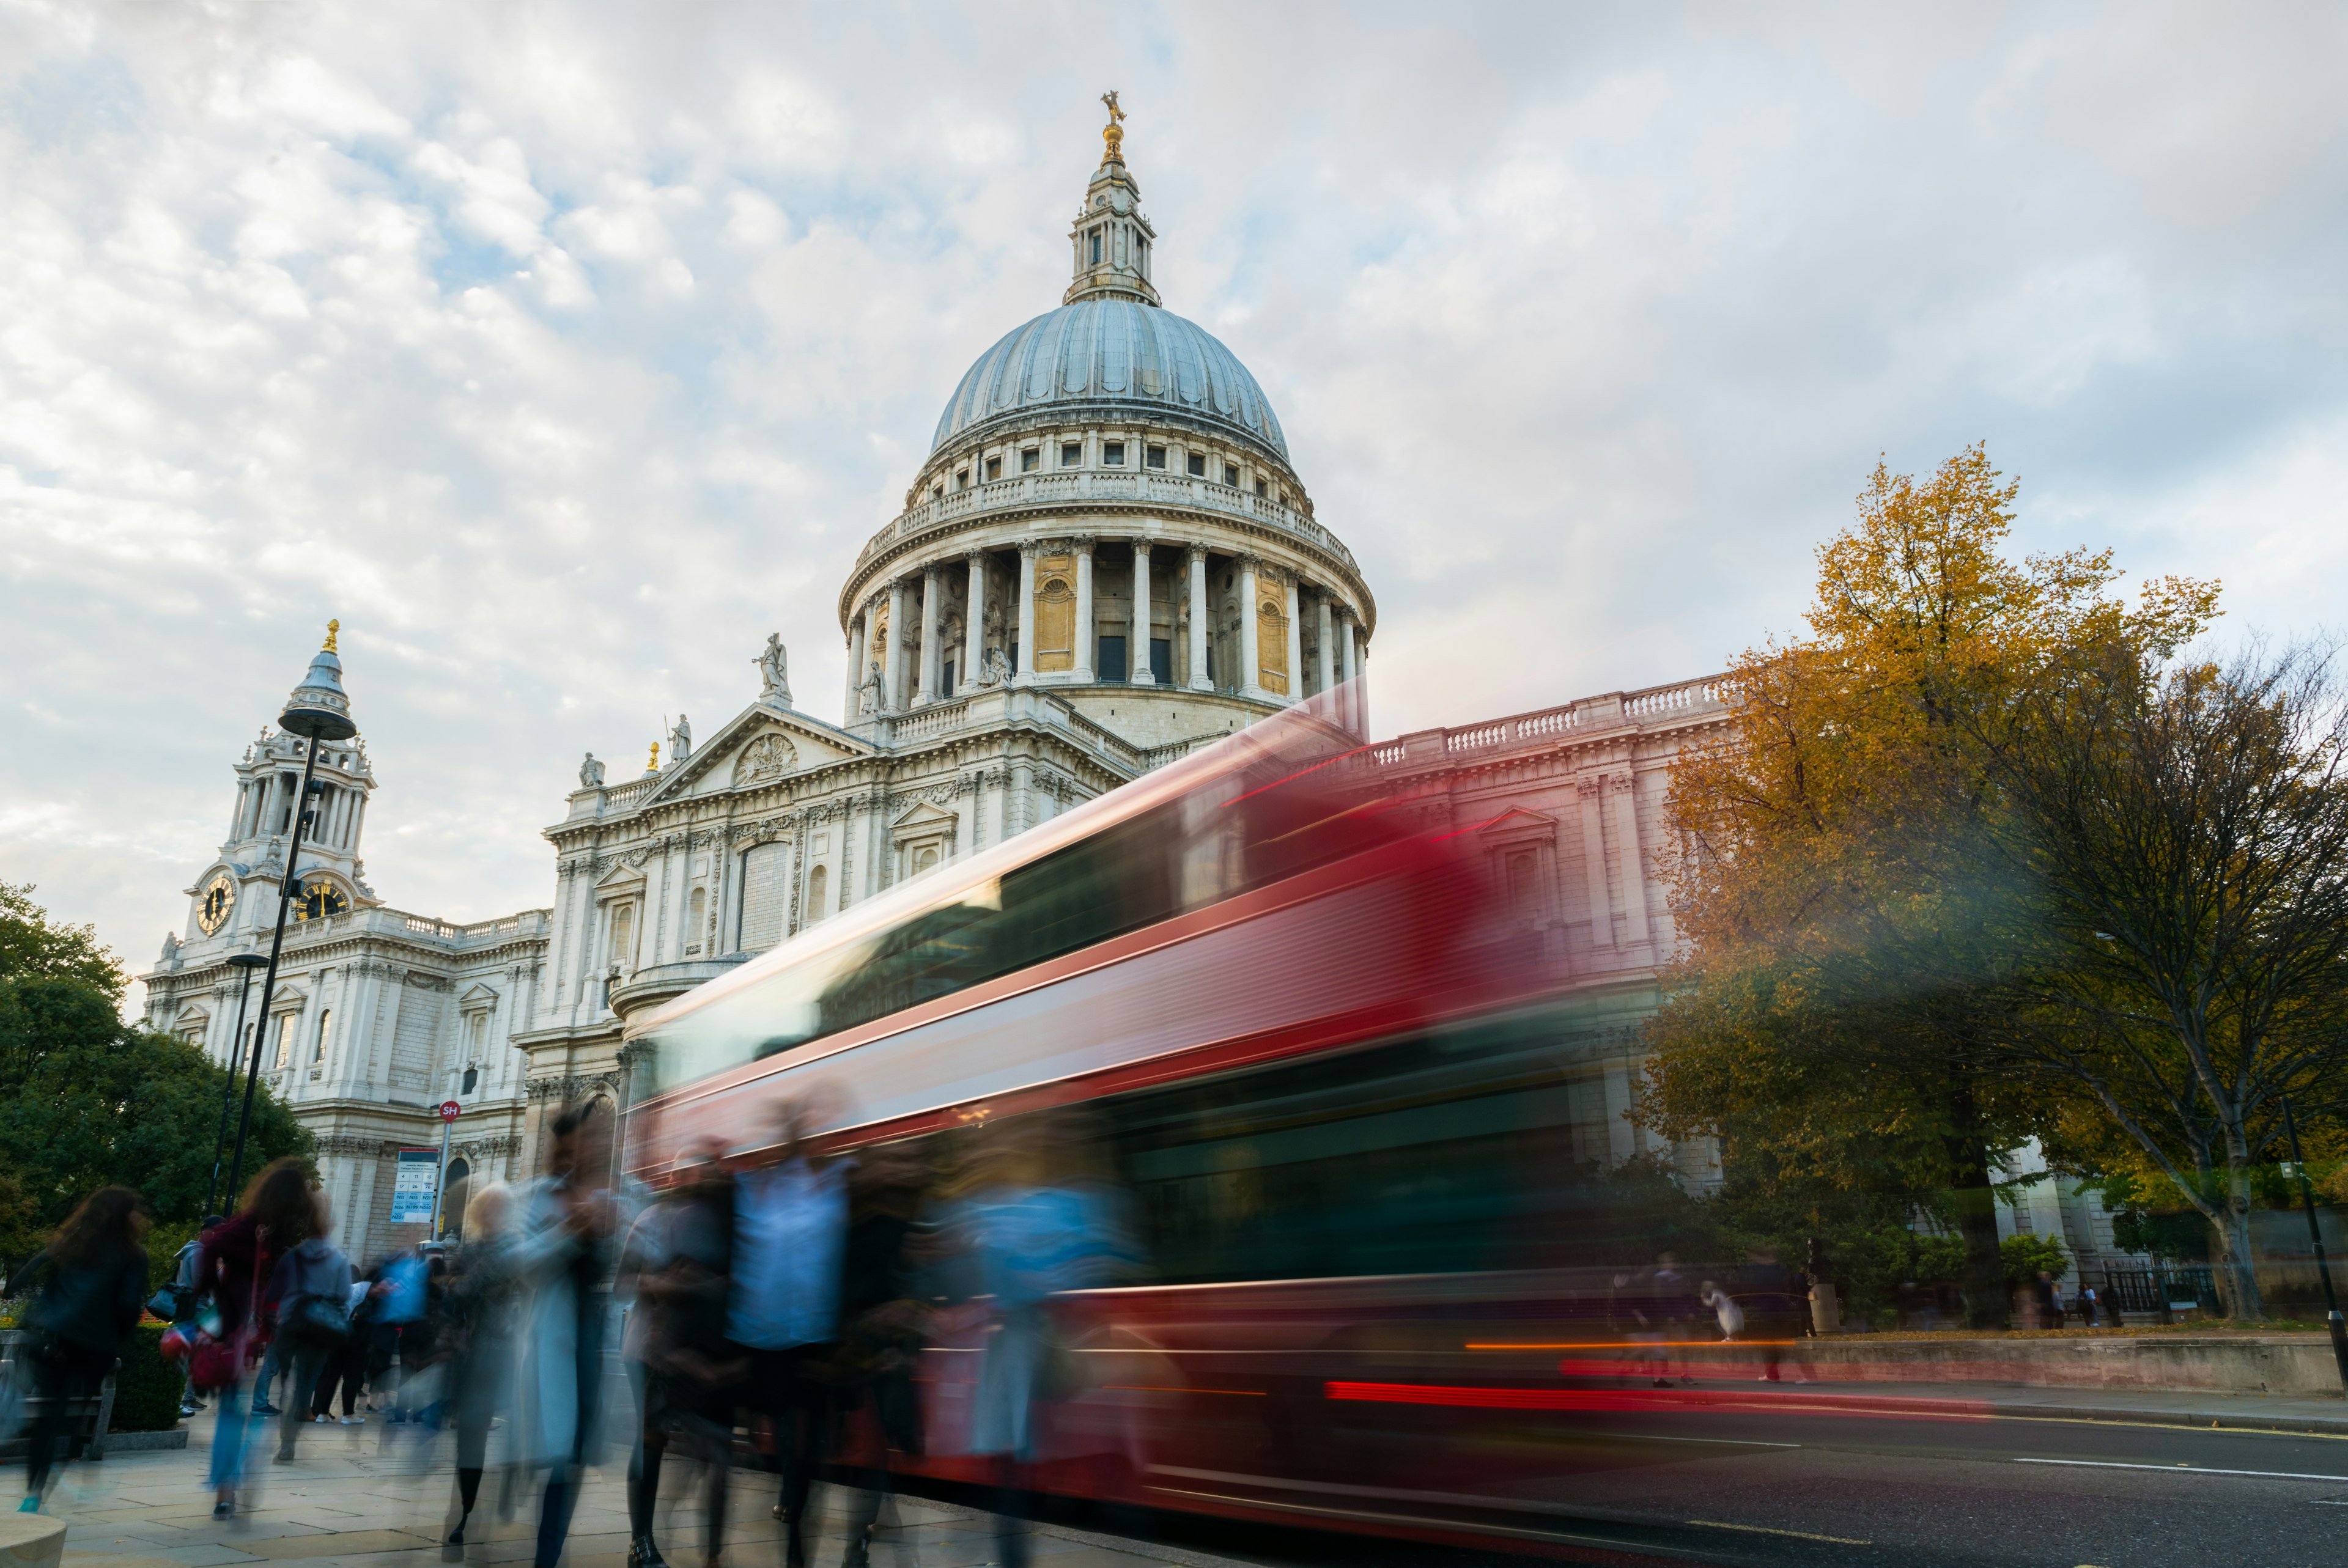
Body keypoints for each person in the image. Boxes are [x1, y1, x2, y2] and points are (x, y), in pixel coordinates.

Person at [726, 1100, 849, 1568]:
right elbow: (751, 1258)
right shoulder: (762, 1188)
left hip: (815, 1337)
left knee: (810, 1453)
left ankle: (798, 1549)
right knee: (786, 1446)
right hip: (769, 1339)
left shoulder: (830, 1184)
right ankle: (794, 1534)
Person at [509, 1103, 621, 1568]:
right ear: (568, 1144)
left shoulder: (616, 1194)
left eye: (603, 1136)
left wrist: (619, 1228)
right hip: (553, 1336)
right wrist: (571, 1230)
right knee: (556, 1453)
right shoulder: (539, 1195)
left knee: (570, 1456)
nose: (598, 1144)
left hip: (593, 1336)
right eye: (589, 1136)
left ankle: (549, 1551)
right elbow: (518, 1264)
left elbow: (646, 1250)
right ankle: (546, 1557)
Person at [619, 1141, 740, 1568]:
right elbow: (623, 1283)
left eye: (704, 1171)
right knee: (651, 1443)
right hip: (650, 1350)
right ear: (672, 1179)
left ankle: (713, 1552)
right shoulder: (651, 1219)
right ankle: (642, 1540)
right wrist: (663, 1284)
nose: (694, 1179)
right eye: (685, 1172)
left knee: (718, 1450)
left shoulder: (721, 1221)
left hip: (704, 1350)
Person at [7, 1187, 149, 1513]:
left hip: (51, 1339)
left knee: (49, 1417)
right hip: (93, 1346)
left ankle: (33, 1493)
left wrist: (41, 1311)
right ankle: (57, 1468)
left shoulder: (70, 1243)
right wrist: (118, 1338)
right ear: (124, 1216)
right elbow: (128, 1306)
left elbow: (21, 1280)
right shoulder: (132, 1255)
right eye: (135, 1210)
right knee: (73, 1417)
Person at [194, 1158, 315, 1518]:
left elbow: (210, 1251)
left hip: (236, 1329)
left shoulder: (246, 1227)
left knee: (233, 1412)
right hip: (266, 1330)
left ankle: (224, 1492)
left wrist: (220, 1296)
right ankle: (239, 1481)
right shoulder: (285, 1235)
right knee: (251, 1409)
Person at [831, 1143, 933, 1568]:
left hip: (886, 1354)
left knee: (877, 1451)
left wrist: (909, 1324)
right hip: (860, 1354)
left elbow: (913, 1287)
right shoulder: (853, 1226)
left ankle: (866, 1541)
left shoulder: (896, 1221)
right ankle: (859, 1546)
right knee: (871, 1451)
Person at [444, 1182, 522, 1553]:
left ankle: (498, 1495)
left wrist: (465, 1283)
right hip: (472, 1355)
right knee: (470, 1438)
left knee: (510, 1434)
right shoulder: (473, 1249)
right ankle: (468, 1509)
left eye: (498, 1209)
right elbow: (451, 1291)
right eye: (486, 1209)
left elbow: (463, 1287)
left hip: (504, 1353)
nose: (491, 1215)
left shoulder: (514, 1250)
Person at [270, 1193, 355, 1463]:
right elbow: (344, 1296)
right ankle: (292, 1432)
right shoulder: (340, 1260)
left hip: (291, 1326)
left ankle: (286, 1426)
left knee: (288, 1382)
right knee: (307, 1383)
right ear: (328, 1228)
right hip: (320, 1330)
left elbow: (275, 1291)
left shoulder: (292, 1256)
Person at [175, 1217, 224, 1419]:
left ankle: (186, 1397)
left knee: (193, 1355)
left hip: (194, 1306)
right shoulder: (197, 1253)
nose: (218, 1236)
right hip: (195, 1308)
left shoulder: (196, 1252)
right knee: (191, 1356)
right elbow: (199, 1283)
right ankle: (182, 1399)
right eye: (215, 1231)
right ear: (205, 1231)